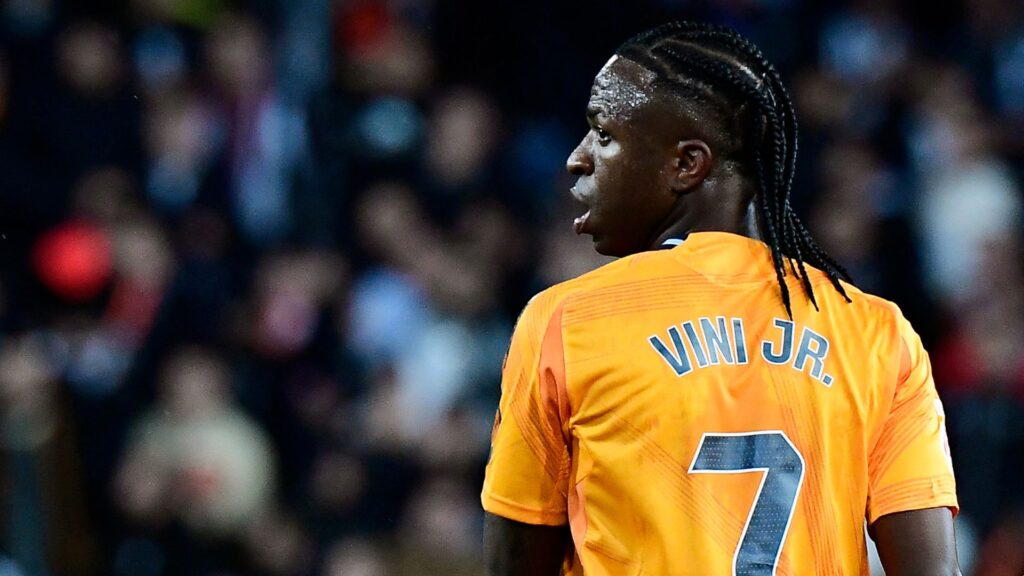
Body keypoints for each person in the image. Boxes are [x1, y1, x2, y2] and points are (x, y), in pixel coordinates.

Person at [481, 22, 961, 576]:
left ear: (688, 164)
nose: (577, 158)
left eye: (603, 134)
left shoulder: (567, 322)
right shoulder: (878, 334)